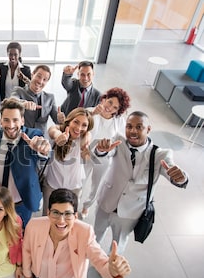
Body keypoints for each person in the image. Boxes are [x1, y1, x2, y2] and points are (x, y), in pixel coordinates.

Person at [22, 188, 131, 278]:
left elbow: (99, 259)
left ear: (75, 216)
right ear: (48, 213)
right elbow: (27, 249)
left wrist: (112, 269)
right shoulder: (34, 226)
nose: (61, 221)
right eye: (56, 213)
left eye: (67, 214)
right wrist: (27, 272)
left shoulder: (85, 232)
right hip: (41, 277)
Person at [93, 111, 188, 254]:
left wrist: (181, 178)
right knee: (95, 235)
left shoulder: (160, 155)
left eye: (139, 127)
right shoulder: (118, 141)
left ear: (148, 129)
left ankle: (110, 266)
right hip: (106, 202)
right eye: (129, 126)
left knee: (118, 244)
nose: (132, 131)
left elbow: (173, 173)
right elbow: (104, 152)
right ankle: (90, 256)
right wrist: (101, 150)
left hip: (131, 211)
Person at [0, 97, 51, 228]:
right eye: (6, 120)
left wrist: (42, 149)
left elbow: (41, 148)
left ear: (22, 120)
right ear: (0, 121)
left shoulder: (33, 135)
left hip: (22, 204)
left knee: (20, 237)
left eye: (15, 120)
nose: (10, 125)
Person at [80, 87, 131, 218]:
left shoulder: (119, 122)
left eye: (115, 108)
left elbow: (123, 140)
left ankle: (86, 206)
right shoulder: (90, 111)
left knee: (96, 185)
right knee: (80, 181)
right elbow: (81, 128)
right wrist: (92, 115)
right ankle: (75, 204)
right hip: (86, 154)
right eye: (110, 102)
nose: (110, 108)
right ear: (104, 99)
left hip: (103, 158)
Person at [41, 108, 94, 214]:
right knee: (47, 216)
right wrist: (59, 137)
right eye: (76, 122)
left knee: (69, 218)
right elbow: (53, 131)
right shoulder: (57, 129)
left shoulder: (84, 137)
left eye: (84, 125)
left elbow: (86, 145)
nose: (79, 128)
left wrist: (86, 148)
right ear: (69, 120)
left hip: (73, 187)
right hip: (52, 185)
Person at [11, 64, 59, 135]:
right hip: (21, 137)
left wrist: (61, 118)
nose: (40, 81)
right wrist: (23, 103)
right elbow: (12, 101)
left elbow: (57, 120)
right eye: (39, 76)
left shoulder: (50, 97)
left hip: (41, 140)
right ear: (32, 74)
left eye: (44, 80)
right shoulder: (18, 91)